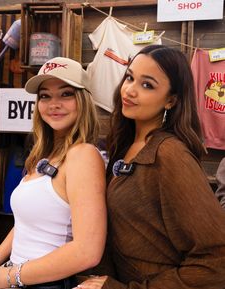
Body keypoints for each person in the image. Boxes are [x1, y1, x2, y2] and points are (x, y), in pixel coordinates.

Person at [76, 45, 225, 289]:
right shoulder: (125, 144)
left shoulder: (170, 154)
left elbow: (218, 259)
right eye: (130, 77)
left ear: (171, 100)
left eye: (147, 85)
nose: (130, 90)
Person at [0, 57, 107, 289]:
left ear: (83, 100)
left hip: (42, 282)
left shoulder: (83, 156)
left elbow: (87, 251)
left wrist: (9, 277)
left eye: (66, 94)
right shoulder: (42, 156)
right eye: (45, 96)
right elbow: (26, 224)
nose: (54, 103)